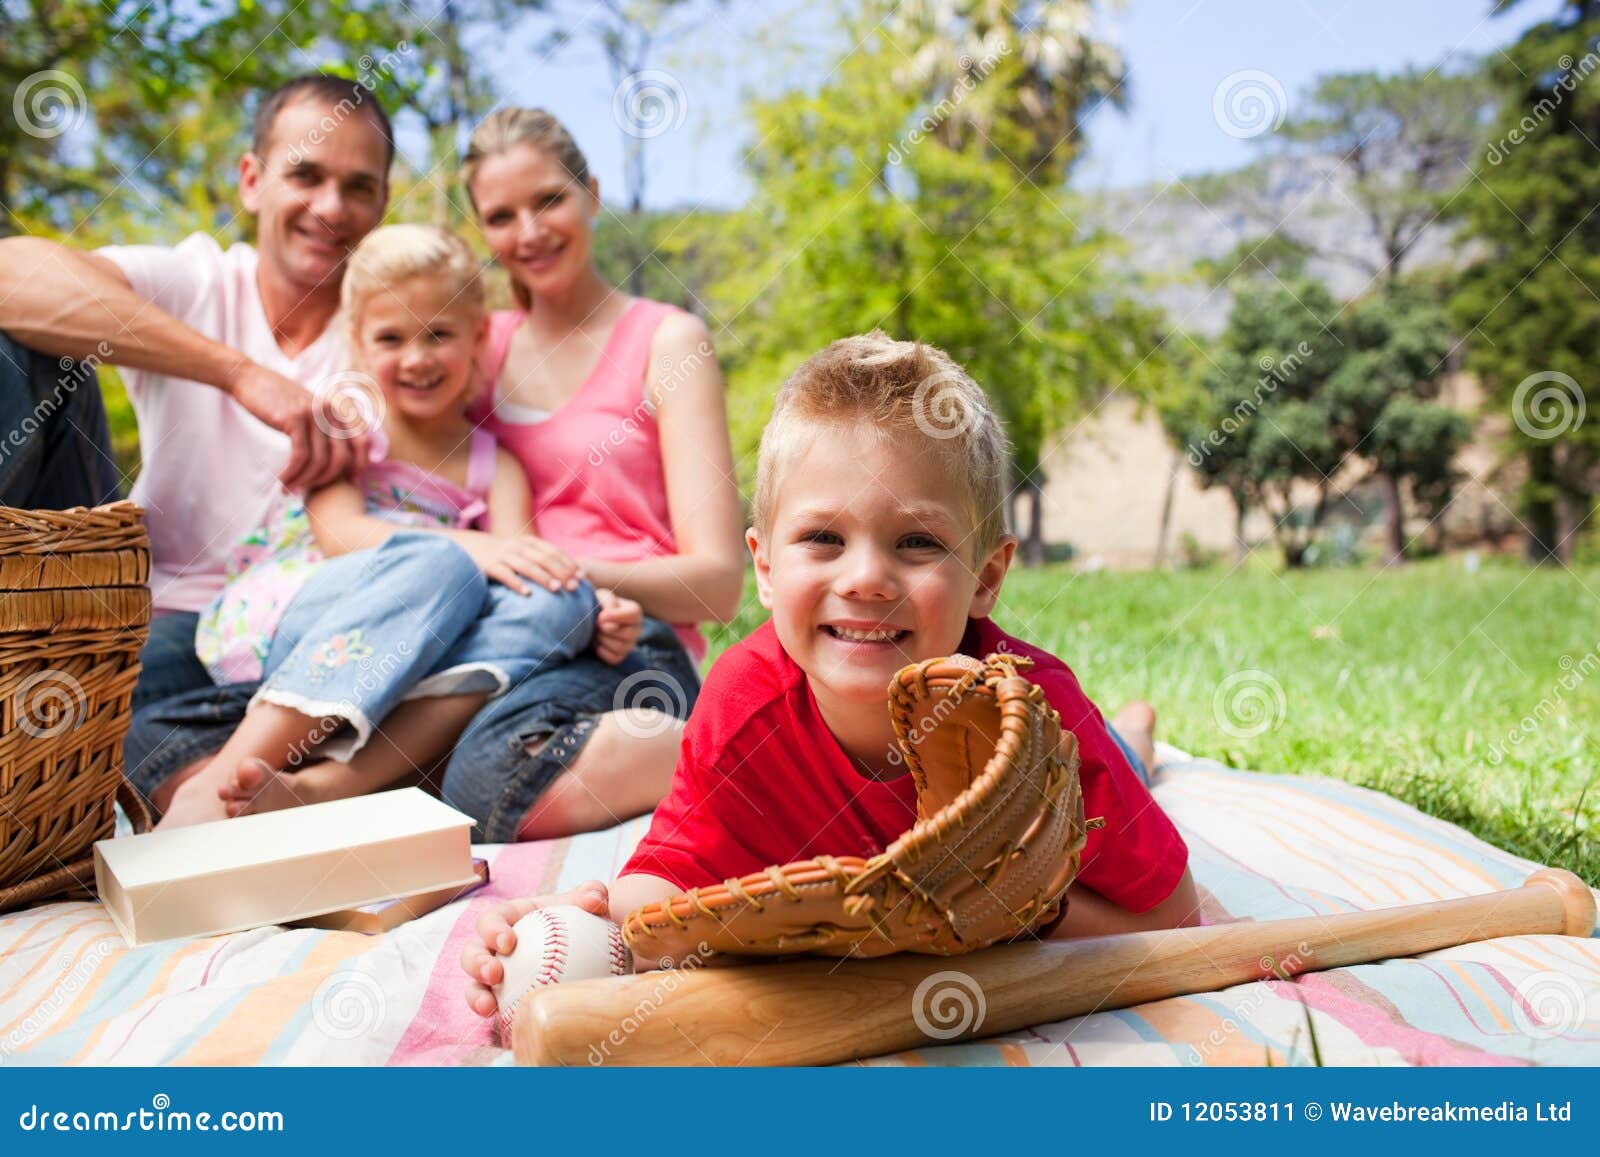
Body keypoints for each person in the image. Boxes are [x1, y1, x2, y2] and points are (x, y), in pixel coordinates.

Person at [461, 333, 1201, 1015]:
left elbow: (1176, 918)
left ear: (987, 575)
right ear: (765, 566)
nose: (867, 577)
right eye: (822, 537)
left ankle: (1132, 734)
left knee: (1122, 751)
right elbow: (675, 878)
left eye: (917, 541)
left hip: (1083, 754)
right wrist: (589, 917)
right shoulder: (743, 702)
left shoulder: (1039, 724)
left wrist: (1016, 909)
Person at [154, 224, 644, 828]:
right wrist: (470, 547)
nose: (417, 357)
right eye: (392, 337)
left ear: (478, 338)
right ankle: (222, 775)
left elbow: (526, 564)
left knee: (559, 599)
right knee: (443, 565)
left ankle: (331, 786)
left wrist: (600, 611)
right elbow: (340, 537)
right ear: (358, 343)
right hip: (314, 621)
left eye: (439, 333)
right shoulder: (350, 430)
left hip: (424, 649)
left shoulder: (498, 465)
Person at [0, 73, 393, 802]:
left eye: (358, 186)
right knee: (25, 350)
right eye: (305, 174)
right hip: (125, 616)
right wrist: (239, 373)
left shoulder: (397, 336)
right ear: (252, 180)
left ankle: (205, 793)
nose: (330, 207)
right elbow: (9, 275)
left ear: (382, 206)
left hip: (295, 644)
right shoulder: (201, 283)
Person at [420, 107, 744, 842]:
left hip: (633, 641)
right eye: (501, 216)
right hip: (505, 633)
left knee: (482, 775)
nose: (529, 233)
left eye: (549, 200)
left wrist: (571, 574)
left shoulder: (667, 341)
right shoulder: (477, 347)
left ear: (592, 193)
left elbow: (719, 582)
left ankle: (722, 750)